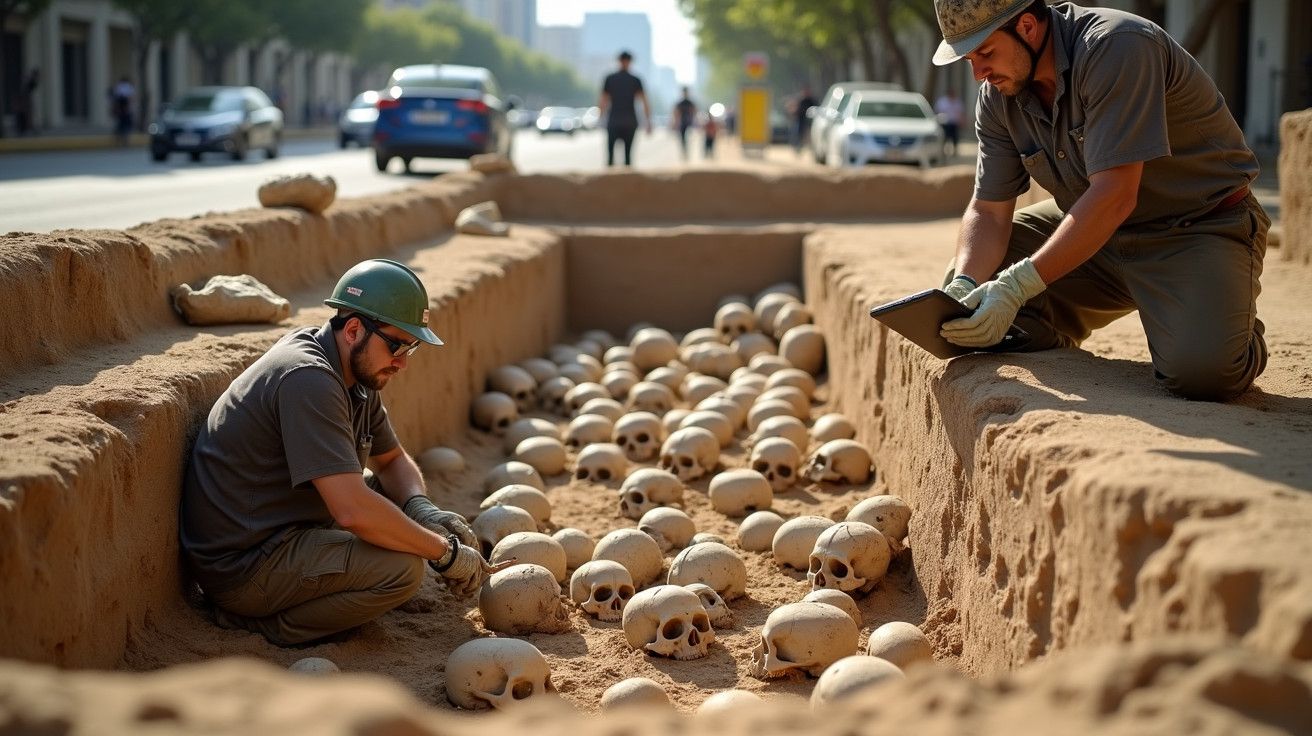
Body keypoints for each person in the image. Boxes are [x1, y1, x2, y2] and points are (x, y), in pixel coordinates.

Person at [932, 0, 1268, 402]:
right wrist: (968, 283)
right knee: (970, 289)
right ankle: (1048, 333)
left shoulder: (1116, 46)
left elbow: (1115, 195)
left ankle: (1229, 321)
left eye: (985, 53)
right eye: (969, 59)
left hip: (1195, 229)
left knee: (1204, 374)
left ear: (1027, 27)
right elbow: (988, 209)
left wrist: (1018, 285)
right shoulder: (999, 93)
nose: (978, 73)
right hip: (1093, 237)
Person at [180, 259, 503, 646]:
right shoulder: (309, 379)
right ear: (353, 330)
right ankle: (264, 627)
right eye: (396, 345)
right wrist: (444, 553)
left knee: (392, 500)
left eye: (411, 348)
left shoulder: (355, 373)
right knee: (402, 570)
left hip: (285, 527)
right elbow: (350, 509)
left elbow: (393, 461)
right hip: (246, 565)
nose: (401, 362)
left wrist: (422, 509)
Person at [599, 50, 652, 167]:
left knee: (611, 157)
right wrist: (648, 121)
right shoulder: (635, 80)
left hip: (614, 121)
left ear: (619, 61)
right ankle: (627, 182)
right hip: (629, 122)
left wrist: (600, 118)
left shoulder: (610, 79)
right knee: (628, 157)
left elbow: (603, 100)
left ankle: (610, 181)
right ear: (630, 62)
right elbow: (644, 101)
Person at [934, 89, 964, 157]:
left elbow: (961, 113)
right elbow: (938, 111)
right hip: (945, 123)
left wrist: (962, 121)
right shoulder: (942, 101)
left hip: (954, 123)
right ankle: (943, 152)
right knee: (945, 138)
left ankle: (955, 151)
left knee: (955, 138)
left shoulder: (958, 102)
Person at [789, 84, 818, 156]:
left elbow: (816, 110)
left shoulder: (812, 101)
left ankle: (812, 150)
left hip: (810, 122)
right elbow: (795, 110)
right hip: (800, 121)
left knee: (811, 135)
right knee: (798, 134)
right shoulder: (801, 100)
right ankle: (797, 148)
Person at [673, 86, 697, 160]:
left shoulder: (690, 103)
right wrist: (676, 123)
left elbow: (694, 111)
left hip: (689, 123)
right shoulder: (680, 103)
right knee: (683, 138)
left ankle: (687, 151)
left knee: (689, 138)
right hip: (682, 123)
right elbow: (676, 113)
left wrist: (694, 120)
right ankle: (684, 151)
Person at [110, 76, 135, 145]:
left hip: (123, 108)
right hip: (123, 108)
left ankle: (123, 139)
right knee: (123, 125)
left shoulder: (120, 87)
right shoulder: (126, 87)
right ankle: (122, 139)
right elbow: (129, 99)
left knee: (124, 125)